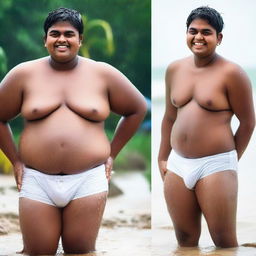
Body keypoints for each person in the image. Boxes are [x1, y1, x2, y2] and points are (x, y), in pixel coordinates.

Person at [0, 7, 147, 255]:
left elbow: (137, 109)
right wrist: (14, 160)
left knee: (79, 250)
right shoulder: (23, 74)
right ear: (45, 39)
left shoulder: (103, 74)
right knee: (37, 251)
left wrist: (112, 154)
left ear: (80, 39)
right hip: (37, 179)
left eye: (69, 34)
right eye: (54, 33)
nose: (61, 39)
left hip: (88, 179)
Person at [158, 6, 255, 248]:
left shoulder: (232, 73)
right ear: (186, 33)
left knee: (224, 242)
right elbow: (169, 117)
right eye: (193, 31)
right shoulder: (174, 69)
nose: (198, 37)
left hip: (216, 164)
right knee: (185, 242)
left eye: (206, 32)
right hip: (178, 164)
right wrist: (162, 158)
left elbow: (248, 121)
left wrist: (230, 159)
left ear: (218, 38)